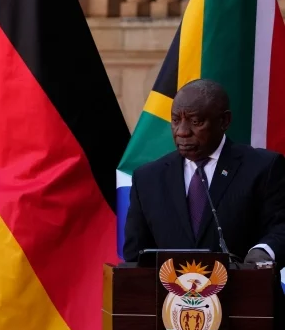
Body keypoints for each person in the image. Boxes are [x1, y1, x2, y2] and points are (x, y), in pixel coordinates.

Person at [122, 78, 285, 265]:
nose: (182, 132)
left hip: (243, 290)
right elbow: (136, 256)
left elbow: (281, 227)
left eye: (195, 121)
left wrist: (263, 252)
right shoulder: (148, 178)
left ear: (224, 121)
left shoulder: (263, 167)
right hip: (170, 293)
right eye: (175, 120)